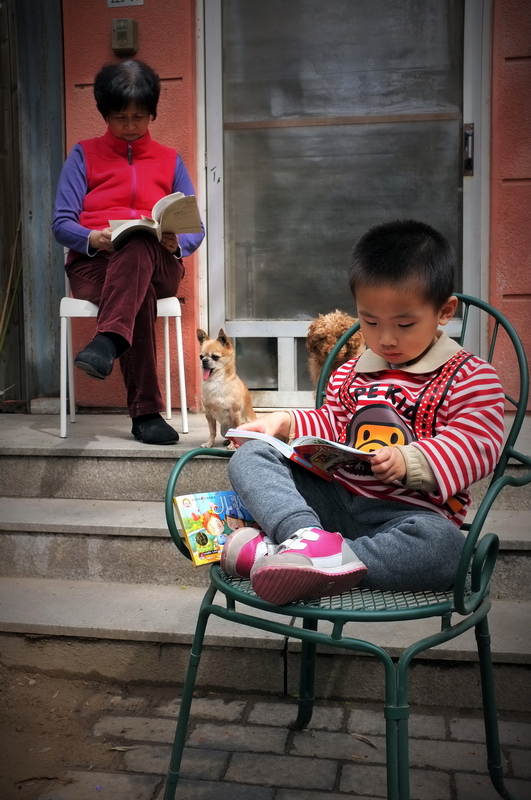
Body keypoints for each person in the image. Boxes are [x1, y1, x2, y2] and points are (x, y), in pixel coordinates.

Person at [221, 219, 505, 605]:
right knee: (252, 455)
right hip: (335, 500)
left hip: (407, 517)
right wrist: (283, 422)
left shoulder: (471, 377)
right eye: (370, 321)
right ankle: (303, 537)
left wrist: (411, 459)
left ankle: (293, 556)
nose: (385, 338)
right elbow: (331, 423)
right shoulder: (351, 372)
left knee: (447, 550)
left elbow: (477, 444)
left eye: (404, 323)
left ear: (444, 311)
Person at [52, 60, 204, 445]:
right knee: (140, 293)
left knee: (139, 241)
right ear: (105, 114)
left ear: (152, 113)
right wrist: (94, 237)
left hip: (159, 262)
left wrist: (177, 243)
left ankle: (107, 341)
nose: (131, 126)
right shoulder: (83, 155)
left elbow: (195, 229)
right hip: (95, 266)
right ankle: (146, 415)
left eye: (139, 117)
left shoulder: (170, 160)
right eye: (121, 117)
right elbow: (61, 223)